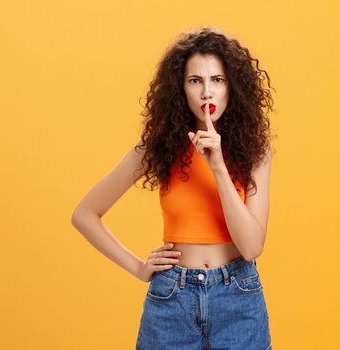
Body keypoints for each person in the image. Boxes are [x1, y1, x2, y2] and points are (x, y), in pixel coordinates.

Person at [71, 26, 275, 349]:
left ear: (231, 87)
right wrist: (138, 267)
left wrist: (219, 168)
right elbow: (84, 214)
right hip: (172, 300)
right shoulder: (158, 148)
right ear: (181, 88)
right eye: (196, 81)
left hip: (239, 297)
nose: (207, 92)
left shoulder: (255, 151)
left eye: (217, 80)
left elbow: (251, 247)